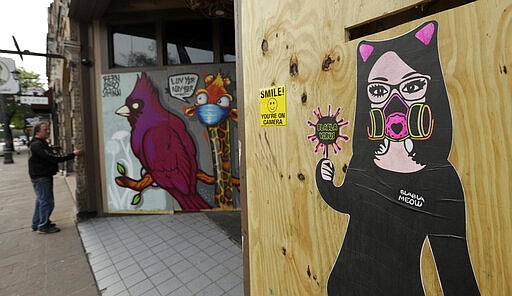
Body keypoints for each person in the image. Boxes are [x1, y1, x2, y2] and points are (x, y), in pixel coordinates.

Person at [28, 121, 81, 234]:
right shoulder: (37, 145)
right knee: (47, 202)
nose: (48, 131)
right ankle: (43, 226)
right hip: (41, 177)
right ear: (37, 132)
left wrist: (53, 148)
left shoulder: (40, 143)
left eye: (48, 129)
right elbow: (52, 158)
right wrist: (73, 154)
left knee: (41, 201)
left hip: (41, 176)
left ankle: (37, 223)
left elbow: (47, 154)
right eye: (45, 130)